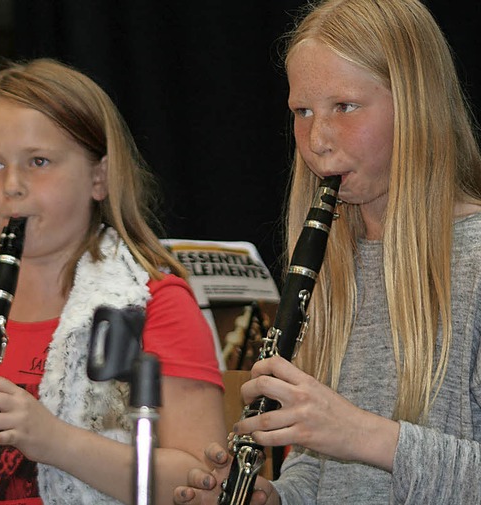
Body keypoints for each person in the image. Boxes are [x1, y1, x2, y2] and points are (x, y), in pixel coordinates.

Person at [0, 58, 227, 505]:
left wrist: (54, 440)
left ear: (99, 177)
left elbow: (205, 485)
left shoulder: (155, 304)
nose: (13, 186)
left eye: (38, 161)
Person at [174, 0, 481, 503]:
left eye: (345, 106)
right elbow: (324, 471)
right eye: (302, 111)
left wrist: (361, 433)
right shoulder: (332, 266)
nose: (316, 139)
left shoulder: (474, 261)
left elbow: (356, 441)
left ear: (416, 103)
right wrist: (275, 497)